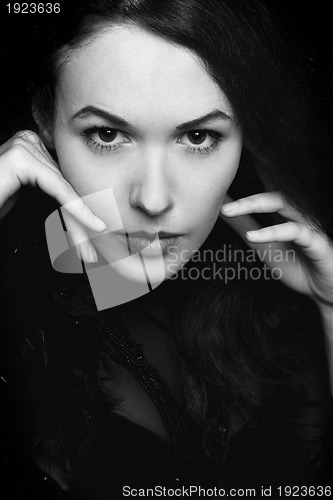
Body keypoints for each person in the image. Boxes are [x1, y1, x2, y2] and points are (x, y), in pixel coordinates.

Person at [0, 0, 332, 497]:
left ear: (244, 136)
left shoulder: (271, 286)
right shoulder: (16, 290)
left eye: (198, 136)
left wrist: (330, 307)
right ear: (44, 124)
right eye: (107, 135)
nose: (153, 199)